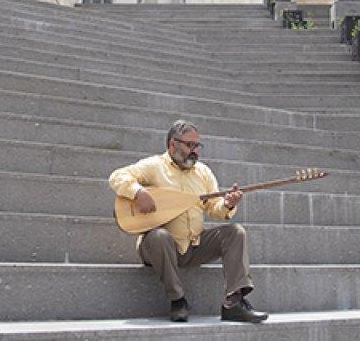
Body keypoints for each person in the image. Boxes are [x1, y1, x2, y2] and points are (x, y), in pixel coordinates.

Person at [108, 119, 269, 324]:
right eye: (189, 145)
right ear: (172, 144)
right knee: (159, 236)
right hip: (159, 247)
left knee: (235, 232)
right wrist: (137, 192)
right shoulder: (154, 166)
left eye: (197, 146)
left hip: (194, 245)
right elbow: (117, 176)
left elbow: (214, 209)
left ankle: (234, 303)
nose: (194, 151)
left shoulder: (203, 172)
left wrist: (227, 204)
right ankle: (178, 300)